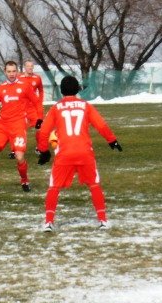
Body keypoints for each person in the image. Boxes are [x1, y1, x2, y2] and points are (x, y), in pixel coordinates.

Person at [36, 75, 122, 232]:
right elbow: (101, 125)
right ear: (77, 89)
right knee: (94, 184)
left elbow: (44, 132)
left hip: (64, 153)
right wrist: (112, 140)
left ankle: (48, 222)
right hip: (84, 152)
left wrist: (43, 151)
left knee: (54, 187)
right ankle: (102, 220)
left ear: (61, 91)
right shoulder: (85, 106)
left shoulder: (56, 108)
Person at [0, 61, 43, 194]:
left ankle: (24, 180)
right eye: (9, 71)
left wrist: (39, 118)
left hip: (18, 126)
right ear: (5, 72)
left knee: (20, 157)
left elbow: (36, 102)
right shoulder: (0, 88)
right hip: (2, 126)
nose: (11, 74)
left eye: (14, 71)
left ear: (17, 71)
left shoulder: (25, 86)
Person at [15, 59, 45, 157]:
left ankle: (39, 148)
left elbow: (41, 90)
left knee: (39, 127)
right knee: (18, 129)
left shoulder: (37, 78)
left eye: (32, 66)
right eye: (28, 66)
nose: (30, 68)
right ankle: (15, 149)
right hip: (21, 108)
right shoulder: (18, 78)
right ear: (25, 67)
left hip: (33, 108)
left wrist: (40, 101)